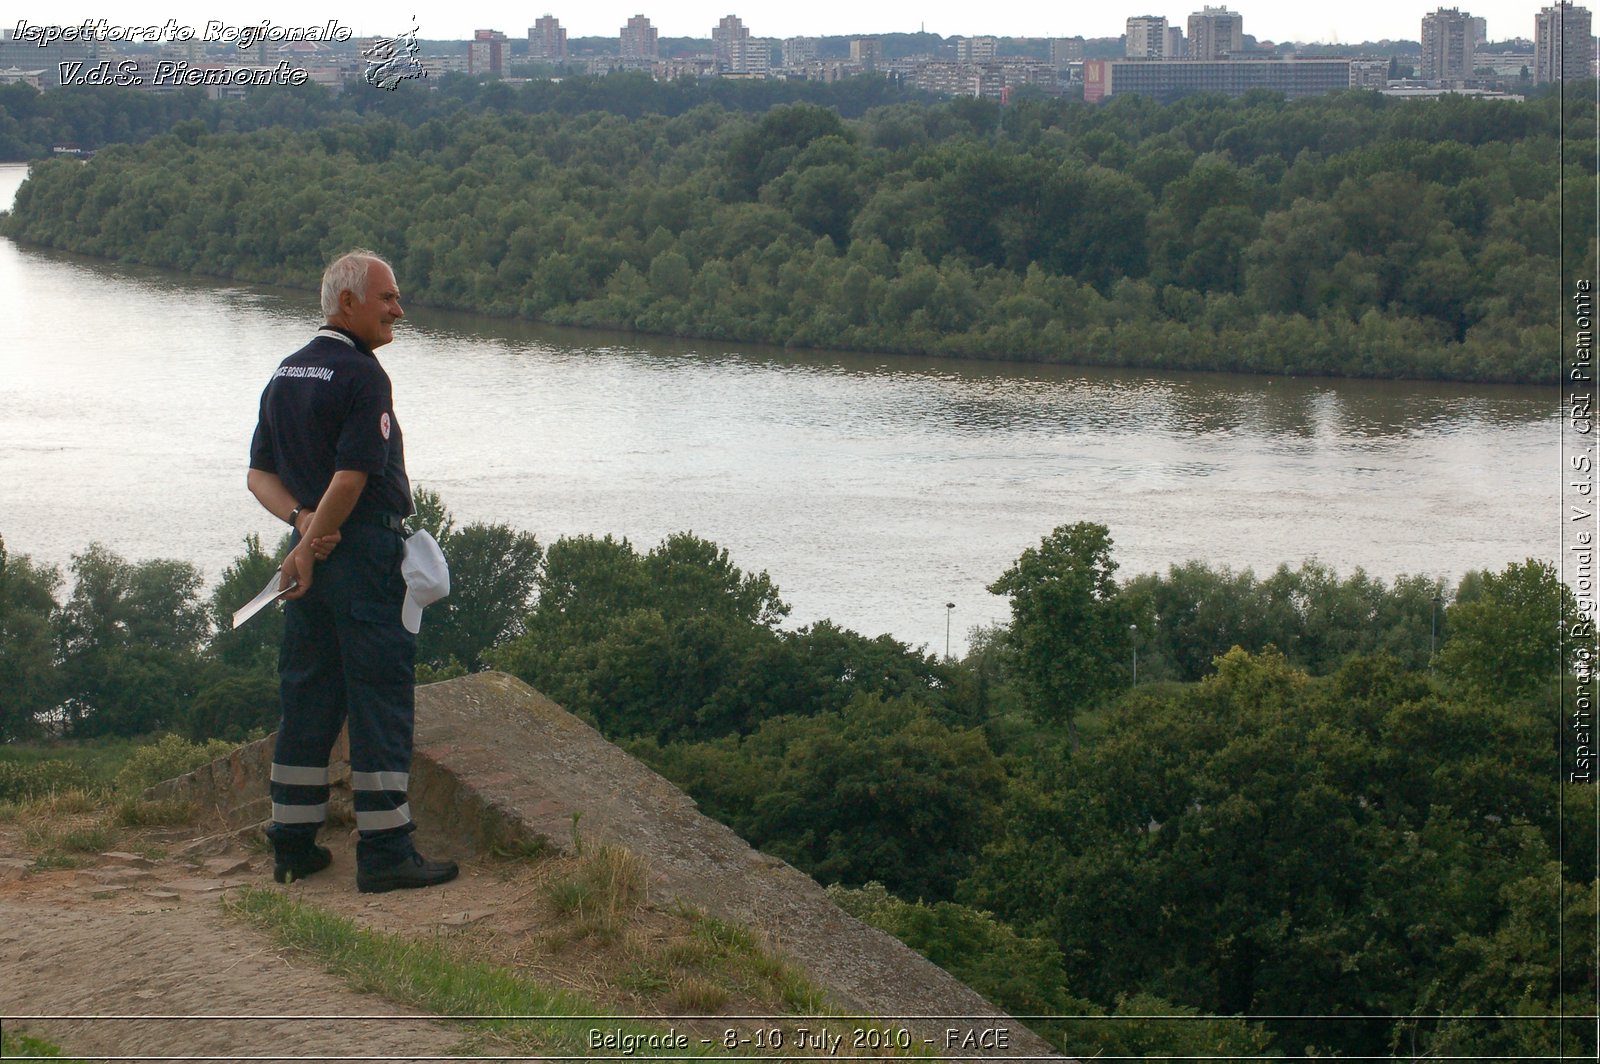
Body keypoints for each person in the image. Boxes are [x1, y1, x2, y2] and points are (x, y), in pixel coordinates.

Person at [247, 249, 458, 893]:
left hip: (311, 565)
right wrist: (313, 540)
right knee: (380, 699)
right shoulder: (365, 376)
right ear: (348, 303)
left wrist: (302, 529)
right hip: (364, 558)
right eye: (388, 297)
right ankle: (388, 853)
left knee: (308, 696)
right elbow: (355, 475)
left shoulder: (285, 373)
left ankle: (291, 844)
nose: (399, 308)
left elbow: (259, 476)